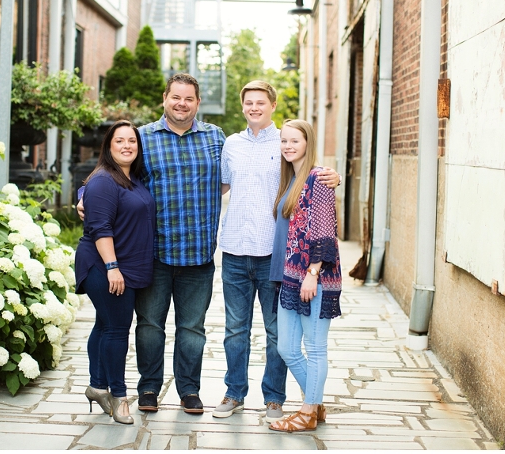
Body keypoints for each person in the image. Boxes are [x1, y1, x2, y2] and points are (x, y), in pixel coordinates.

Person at [80, 73, 226, 414]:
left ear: (197, 103)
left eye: (189, 98)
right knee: (149, 328)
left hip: (198, 253)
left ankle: (189, 390)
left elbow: (244, 173)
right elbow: (114, 171)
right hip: (152, 256)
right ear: (165, 98)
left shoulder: (215, 138)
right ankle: (148, 389)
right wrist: (84, 194)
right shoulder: (143, 137)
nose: (182, 103)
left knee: (192, 329)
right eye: (176, 97)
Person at [213, 81, 340, 423]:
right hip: (236, 249)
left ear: (272, 105)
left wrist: (332, 176)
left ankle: (274, 398)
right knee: (235, 329)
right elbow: (222, 185)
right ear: (243, 107)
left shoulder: (285, 142)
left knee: (276, 333)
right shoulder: (231, 145)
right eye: (248, 103)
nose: (254, 108)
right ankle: (234, 392)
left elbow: (310, 179)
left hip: (276, 256)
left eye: (261, 102)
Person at [75, 120, 156, 425]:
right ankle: (119, 397)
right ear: (108, 147)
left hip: (126, 265)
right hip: (104, 264)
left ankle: (97, 386)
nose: (126, 146)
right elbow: (99, 227)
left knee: (105, 324)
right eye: (119, 141)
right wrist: (112, 267)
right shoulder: (104, 180)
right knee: (116, 329)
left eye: (131, 141)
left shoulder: (131, 177)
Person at [268, 119, 342, 433]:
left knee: (314, 347)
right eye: (283, 141)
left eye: (294, 141)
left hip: (314, 277)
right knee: (286, 347)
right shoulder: (291, 179)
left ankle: (308, 411)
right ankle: (315, 401)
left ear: (307, 143)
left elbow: (325, 233)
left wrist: (313, 273)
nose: (287, 146)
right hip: (290, 276)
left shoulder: (319, 179)